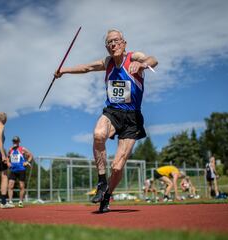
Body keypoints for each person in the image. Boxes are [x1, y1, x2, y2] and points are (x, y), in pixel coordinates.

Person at [54, 29, 158, 213]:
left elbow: (153, 59)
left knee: (117, 167)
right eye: (109, 42)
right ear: (107, 47)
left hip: (132, 117)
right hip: (112, 112)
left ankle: (107, 196)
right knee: (98, 133)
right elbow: (86, 68)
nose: (113, 44)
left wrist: (142, 65)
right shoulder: (107, 62)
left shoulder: (134, 57)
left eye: (116, 41)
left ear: (124, 43)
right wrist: (63, 71)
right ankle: (101, 181)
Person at [7, 136, 33, 208]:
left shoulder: (22, 149)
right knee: (10, 185)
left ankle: (21, 201)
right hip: (13, 170)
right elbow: (7, 157)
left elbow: (31, 155)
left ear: (19, 142)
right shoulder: (10, 150)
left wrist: (27, 162)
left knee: (21, 186)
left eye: (16, 141)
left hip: (21, 169)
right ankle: (10, 201)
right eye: (14, 141)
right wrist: (8, 163)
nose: (15, 142)